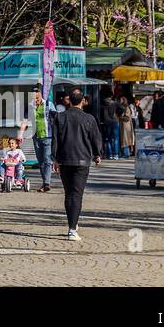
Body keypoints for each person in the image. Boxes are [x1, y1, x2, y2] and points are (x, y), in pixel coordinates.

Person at [50, 89, 104, 241]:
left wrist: (54, 158)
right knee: (77, 194)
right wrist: (97, 154)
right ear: (82, 101)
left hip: (65, 159)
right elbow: (95, 138)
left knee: (69, 194)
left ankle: (73, 223)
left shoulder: (60, 118)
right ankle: (72, 228)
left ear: (69, 101)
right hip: (82, 160)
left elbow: (55, 139)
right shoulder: (89, 119)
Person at [31, 85, 54, 192]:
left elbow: (56, 119)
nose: (35, 96)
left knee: (47, 159)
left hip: (47, 136)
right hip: (36, 137)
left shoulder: (49, 105)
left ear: (41, 94)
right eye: (34, 94)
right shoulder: (30, 106)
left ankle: (47, 183)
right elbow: (25, 120)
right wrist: (21, 134)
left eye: (37, 93)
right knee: (41, 161)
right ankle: (44, 182)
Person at [102, 92, 120, 159]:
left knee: (108, 139)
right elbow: (122, 108)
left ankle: (110, 155)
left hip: (107, 122)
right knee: (115, 139)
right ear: (111, 96)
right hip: (115, 121)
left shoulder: (103, 103)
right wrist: (118, 114)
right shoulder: (115, 103)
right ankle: (115, 154)